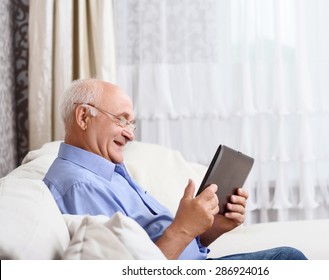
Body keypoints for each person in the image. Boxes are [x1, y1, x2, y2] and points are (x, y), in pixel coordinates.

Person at [43, 78, 307, 260]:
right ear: (83, 117)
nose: (130, 134)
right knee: (288, 259)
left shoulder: (108, 172)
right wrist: (183, 228)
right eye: (121, 119)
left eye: (131, 123)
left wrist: (211, 228)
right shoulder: (78, 185)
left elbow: (160, 247)